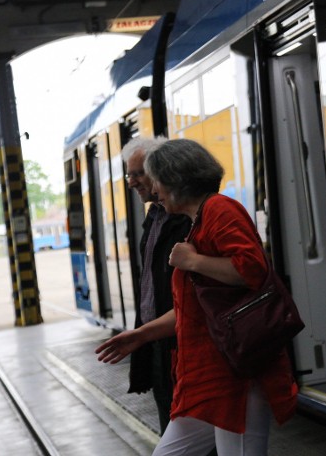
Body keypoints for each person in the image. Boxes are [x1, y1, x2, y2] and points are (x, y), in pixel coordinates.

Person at [97, 138, 297, 456]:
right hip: (209, 374)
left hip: (235, 374)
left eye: (155, 178)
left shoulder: (220, 209)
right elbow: (194, 308)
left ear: (176, 179)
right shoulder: (198, 221)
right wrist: (141, 335)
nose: (153, 188)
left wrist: (192, 262)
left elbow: (252, 270)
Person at [120, 136, 192, 434]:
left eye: (138, 173)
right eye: (129, 173)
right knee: (171, 419)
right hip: (159, 340)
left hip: (181, 339)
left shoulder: (185, 218)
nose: (131, 182)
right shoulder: (155, 217)